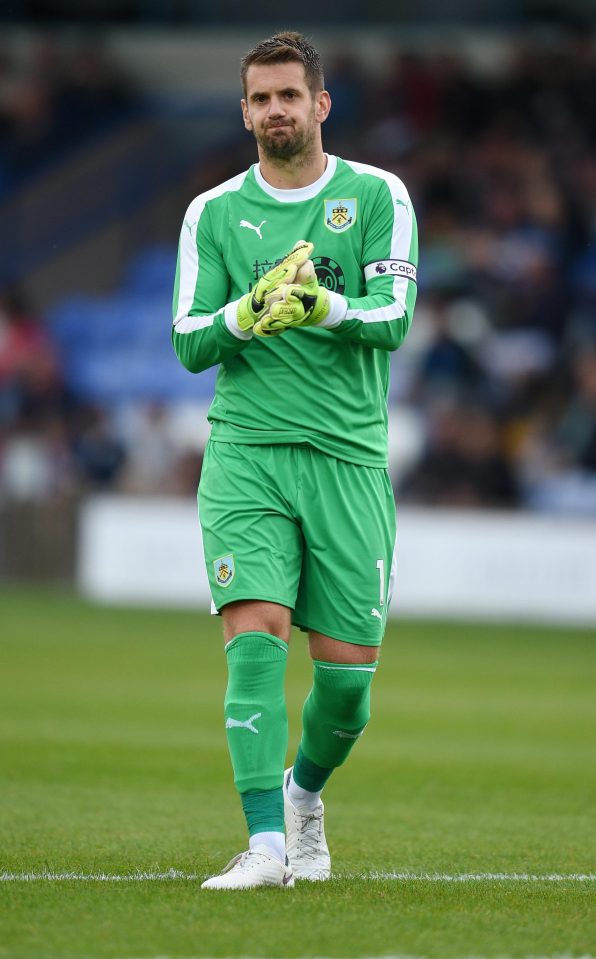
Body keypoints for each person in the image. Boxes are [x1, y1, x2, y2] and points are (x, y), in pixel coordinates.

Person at [172, 31, 418, 890]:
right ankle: (266, 845)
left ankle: (304, 794)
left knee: (347, 693)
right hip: (248, 453)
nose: (275, 110)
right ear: (244, 113)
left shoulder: (376, 194)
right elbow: (189, 341)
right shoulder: (212, 212)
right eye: (260, 98)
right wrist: (251, 309)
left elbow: (393, 316)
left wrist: (318, 305)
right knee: (256, 637)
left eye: (290, 95)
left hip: (349, 460)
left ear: (320, 104)